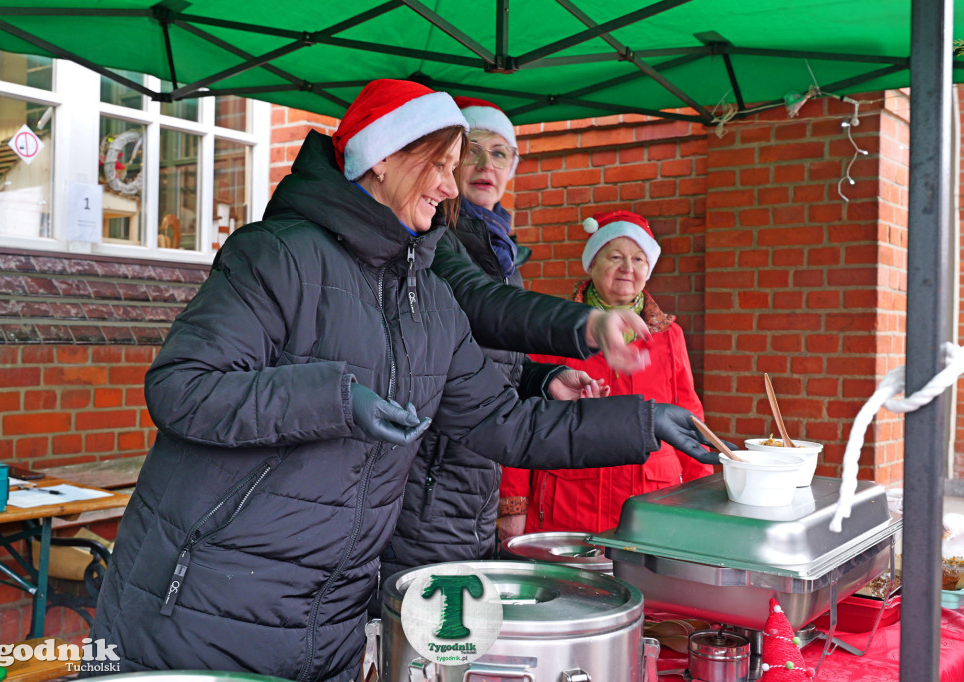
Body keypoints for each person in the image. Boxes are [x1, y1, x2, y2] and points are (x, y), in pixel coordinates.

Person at [88, 79, 716, 682]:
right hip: (199, 604)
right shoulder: (276, 255)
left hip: (328, 619)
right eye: (440, 164)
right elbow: (182, 389)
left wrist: (643, 421)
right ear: (383, 159)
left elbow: (503, 422)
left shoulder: (431, 299)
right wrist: (333, 398)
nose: (450, 185)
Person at [377, 97, 618, 599]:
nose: (487, 166)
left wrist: (542, 378)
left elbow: (484, 355)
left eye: (501, 154)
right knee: (426, 635)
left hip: (474, 478)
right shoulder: (434, 237)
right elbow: (479, 305)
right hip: (427, 479)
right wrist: (588, 324)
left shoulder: (499, 249)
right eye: (473, 151)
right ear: (447, 162)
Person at [499, 210, 715, 539]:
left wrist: (703, 496)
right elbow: (522, 413)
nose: (628, 268)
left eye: (639, 259)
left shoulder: (669, 336)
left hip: (649, 505)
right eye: (615, 256)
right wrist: (514, 503)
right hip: (567, 505)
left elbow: (690, 416)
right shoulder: (558, 327)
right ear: (593, 263)